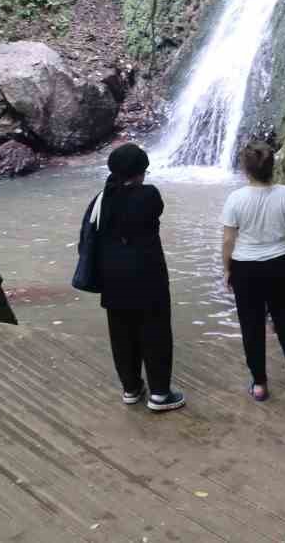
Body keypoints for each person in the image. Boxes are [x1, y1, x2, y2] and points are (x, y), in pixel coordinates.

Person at [87, 143, 184, 412]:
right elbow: (152, 210)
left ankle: (131, 388)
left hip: (113, 278)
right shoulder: (149, 195)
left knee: (121, 333)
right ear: (141, 172)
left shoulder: (102, 199)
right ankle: (160, 394)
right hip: (148, 276)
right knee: (155, 332)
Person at [222, 140, 285, 402]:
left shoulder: (235, 199)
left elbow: (228, 240)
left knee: (251, 326)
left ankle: (260, 385)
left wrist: (227, 268)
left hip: (245, 269)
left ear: (245, 170)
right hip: (277, 266)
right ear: (272, 167)